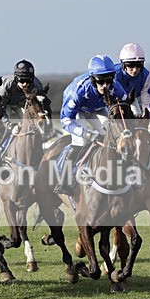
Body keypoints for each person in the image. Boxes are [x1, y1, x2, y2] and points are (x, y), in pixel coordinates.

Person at [55, 54, 127, 195]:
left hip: (97, 109)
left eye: (109, 80)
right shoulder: (77, 93)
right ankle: (64, 178)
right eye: (101, 81)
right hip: (78, 111)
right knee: (81, 140)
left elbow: (127, 104)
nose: (105, 85)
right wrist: (86, 133)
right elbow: (65, 121)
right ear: (93, 80)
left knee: (112, 134)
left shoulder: (115, 87)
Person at [113, 42, 150, 180]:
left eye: (138, 65)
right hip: (113, 104)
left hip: (132, 101)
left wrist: (148, 122)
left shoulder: (145, 75)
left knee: (144, 133)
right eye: (131, 65)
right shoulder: (114, 74)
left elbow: (149, 100)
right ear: (123, 64)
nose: (135, 70)